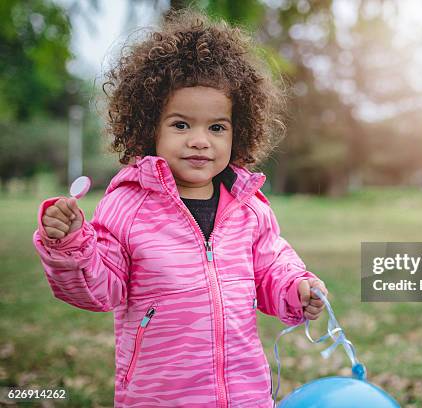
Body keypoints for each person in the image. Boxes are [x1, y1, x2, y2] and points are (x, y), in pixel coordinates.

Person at [32, 10, 328, 408]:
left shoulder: (248, 207)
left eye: (217, 127)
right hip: (160, 396)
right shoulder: (129, 205)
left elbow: (272, 267)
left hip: (245, 396)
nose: (200, 141)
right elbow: (98, 289)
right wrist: (68, 244)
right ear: (149, 126)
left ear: (239, 129)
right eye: (181, 125)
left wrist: (297, 288)